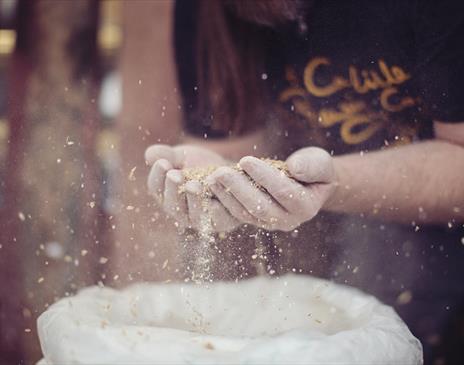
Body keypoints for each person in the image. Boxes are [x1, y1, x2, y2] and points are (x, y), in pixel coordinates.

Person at [144, 0, 464, 362]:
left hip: (432, 213)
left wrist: (336, 182)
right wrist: (209, 178)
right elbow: (223, 145)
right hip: (316, 203)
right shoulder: (207, 8)